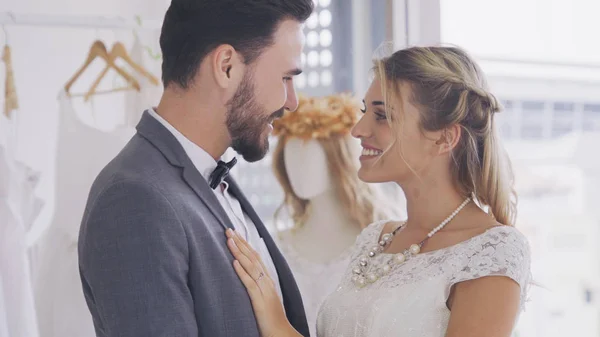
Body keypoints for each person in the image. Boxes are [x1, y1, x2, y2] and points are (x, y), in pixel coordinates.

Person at [225, 45, 532, 337]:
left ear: (444, 138)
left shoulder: (492, 251)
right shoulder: (374, 238)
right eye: (364, 112)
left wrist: (280, 327)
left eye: (381, 115)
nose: (358, 129)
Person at [77, 1, 314, 336]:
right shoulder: (133, 200)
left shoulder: (211, 179)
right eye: (286, 77)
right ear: (227, 66)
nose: (292, 101)